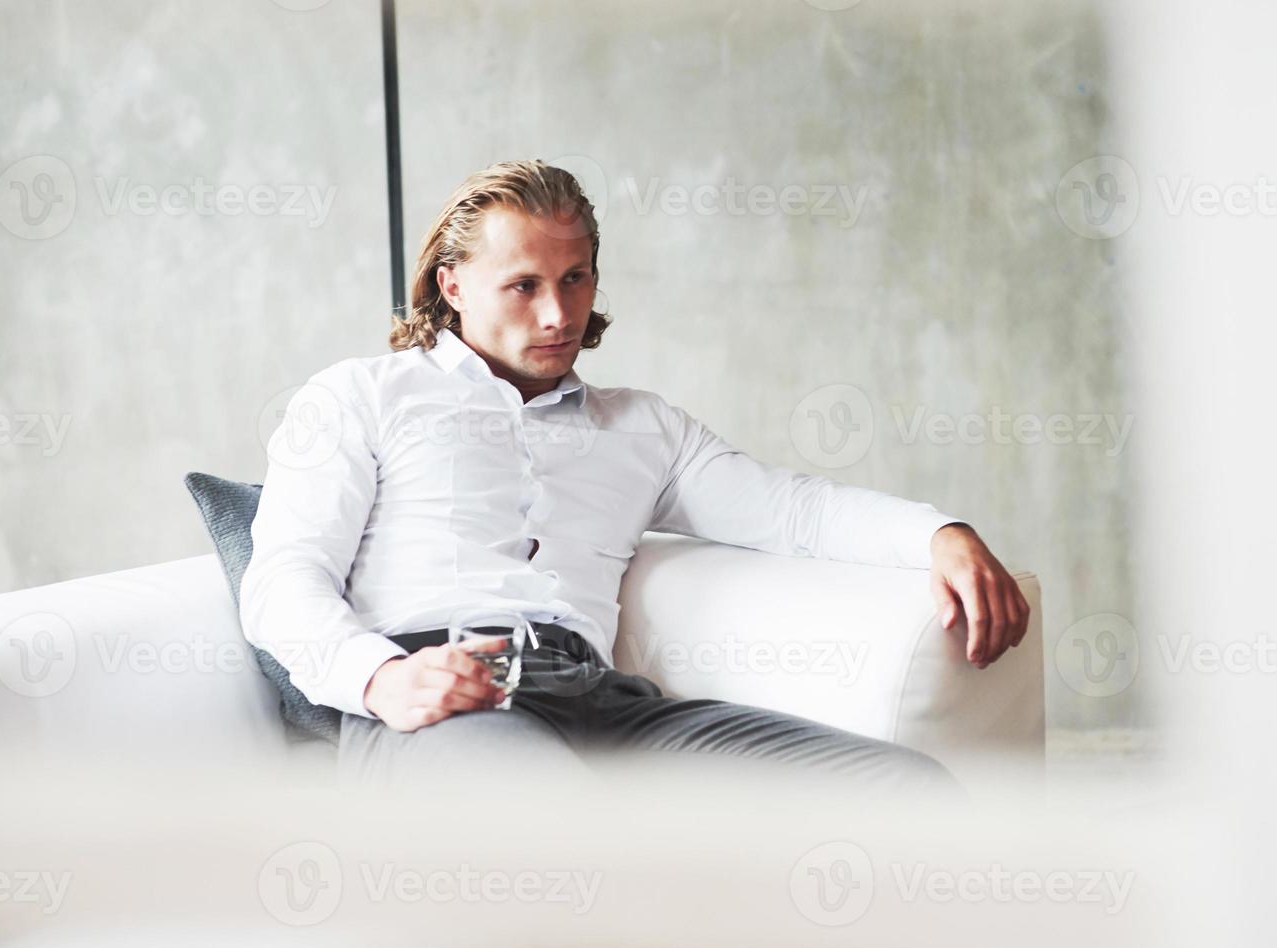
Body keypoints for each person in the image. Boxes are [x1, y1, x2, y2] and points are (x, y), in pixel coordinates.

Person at [240, 160, 1029, 795]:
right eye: (524, 286)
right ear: (454, 286)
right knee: (560, 832)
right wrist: (379, 680)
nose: (559, 314)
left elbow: (793, 511)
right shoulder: (360, 396)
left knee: (899, 788)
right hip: (442, 705)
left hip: (602, 704)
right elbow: (284, 579)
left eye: (576, 279)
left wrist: (938, 535)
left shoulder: (642, 428)